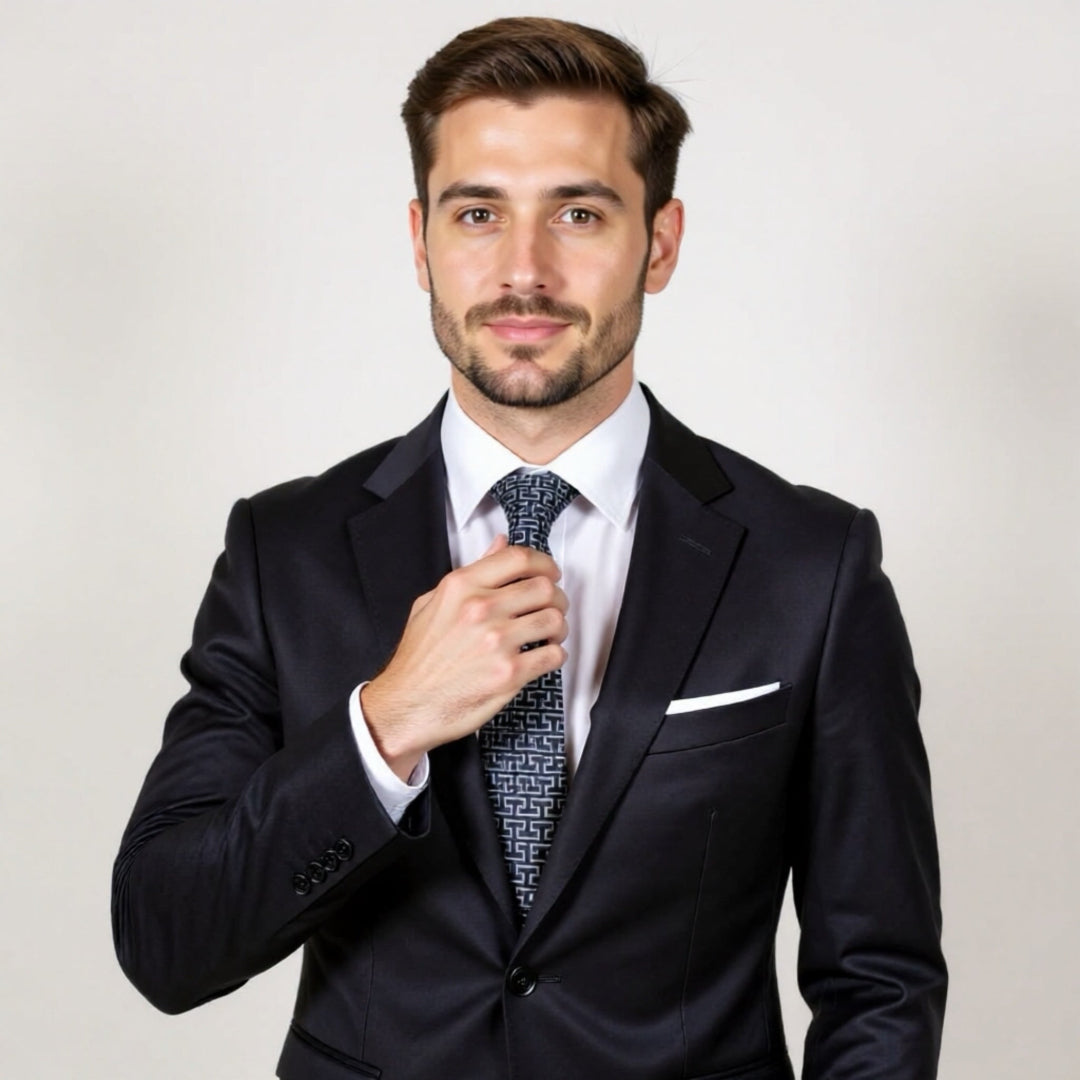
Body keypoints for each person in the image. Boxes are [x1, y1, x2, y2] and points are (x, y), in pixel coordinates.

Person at [112, 17, 946, 1080]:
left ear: (660, 242)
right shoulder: (285, 554)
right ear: (420, 241)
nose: (524, 270)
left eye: (579, 213)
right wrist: (387, 724)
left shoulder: (812, 566)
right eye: (478, 214)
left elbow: (880, 982)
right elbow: (167, 941)